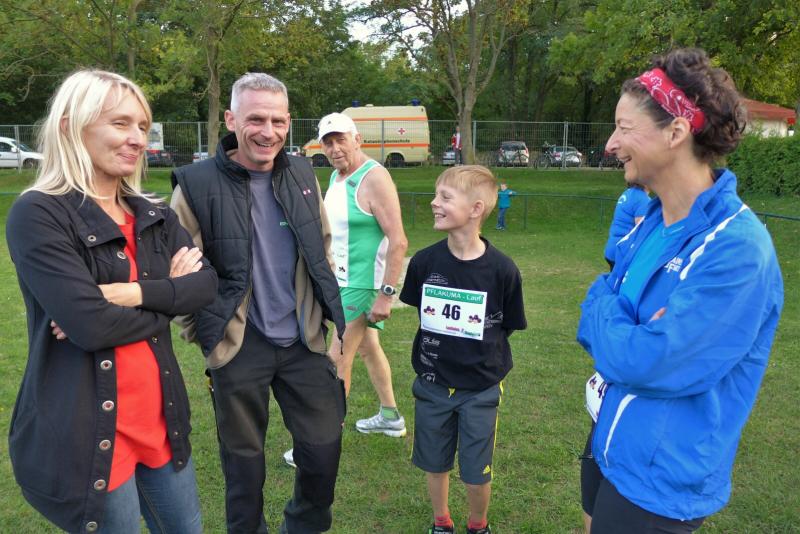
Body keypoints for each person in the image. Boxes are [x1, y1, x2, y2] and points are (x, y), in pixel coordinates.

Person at [577, 48, 783, 534]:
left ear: (675, 132)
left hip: (662, 477)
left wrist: (616, 321)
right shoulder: (653, 220)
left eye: (624, 128)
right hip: (611, 440)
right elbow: (594, 304)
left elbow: (651, 361)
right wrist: (624, 324)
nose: (610, 144)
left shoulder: (736, 249)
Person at [5, 69, 217, 534]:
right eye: (120, 124)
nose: (138, 138)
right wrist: (167, 296)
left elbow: (206, 285)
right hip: (91, 434)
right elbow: (91, 326)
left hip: (161, 422)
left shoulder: (153, 213)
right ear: (70, 126)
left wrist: (132, 293)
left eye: (142, 126)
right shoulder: (38, 214)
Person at [170, 72, 346, 534]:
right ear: (231, 120)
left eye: (278, 121)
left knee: (322, 450)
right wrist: (205, 332)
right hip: (238, 345)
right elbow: (177, 270)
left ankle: (303, 526)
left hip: (303, 341)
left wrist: (323, 313)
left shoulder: (303, 173)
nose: (268, 132)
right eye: (255, 120)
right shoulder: (195, 184)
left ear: (288, 122)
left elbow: (322, 245)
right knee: (243, 465)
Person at [399, 165, 527, 534]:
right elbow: (421, 311)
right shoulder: (424, 262)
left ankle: (478, 525)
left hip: (480, 388)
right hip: (432, 384)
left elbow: (507, 325)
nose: (433, 203)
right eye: (435, 195)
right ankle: (441, 522)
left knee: (475, 470)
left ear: (475, 209)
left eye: (445, 197)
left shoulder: (503, 270)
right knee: (434, 462)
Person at [318, 112, 410, 436]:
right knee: (368, 348)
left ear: (357, 139)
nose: (334, 148)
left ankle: (323, 439)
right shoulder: (336, 177)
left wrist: (386, 294)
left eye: (340, 140)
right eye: (328, 142)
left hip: (362, 284)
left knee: (336, 359)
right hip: (342, 282)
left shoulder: (375, 177)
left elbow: (398, 240)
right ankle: (390, 416)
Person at [603, 183, 649, 269]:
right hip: (624, 254)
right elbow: (642, 232)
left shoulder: (628, 193)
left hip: (613, 249)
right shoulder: (642, 200)